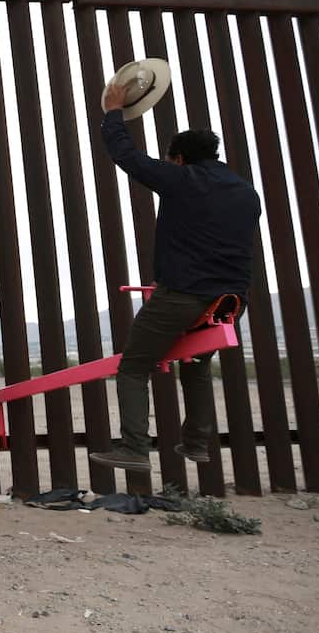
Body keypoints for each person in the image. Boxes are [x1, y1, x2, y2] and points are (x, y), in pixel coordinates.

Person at [90, 81, 261, 472]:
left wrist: (113, 112)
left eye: (170, 161)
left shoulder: (183, 180)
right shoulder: (246, 192)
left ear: (180, 159)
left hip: (182, 296)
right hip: (230, 302)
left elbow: (127, 156)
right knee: (197, 366)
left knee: (134, 367)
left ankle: (134, 449)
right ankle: (197, 443)